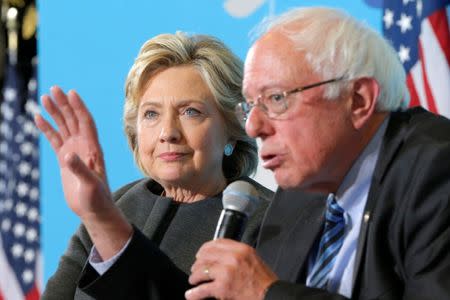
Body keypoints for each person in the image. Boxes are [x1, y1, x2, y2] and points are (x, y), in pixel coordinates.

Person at [186, 7, 450, 300]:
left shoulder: (437, 172)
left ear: (358, 100)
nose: (253, 127)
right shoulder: (299, 194)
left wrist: (266, 293)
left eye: (276, 98)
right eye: (249, 106)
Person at [37, 32, 272, 299]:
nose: (168, 132)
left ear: (232, 127)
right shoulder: (120, 203)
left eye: (190, 111)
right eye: (151, 114)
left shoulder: (268, 221)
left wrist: (106, 224)